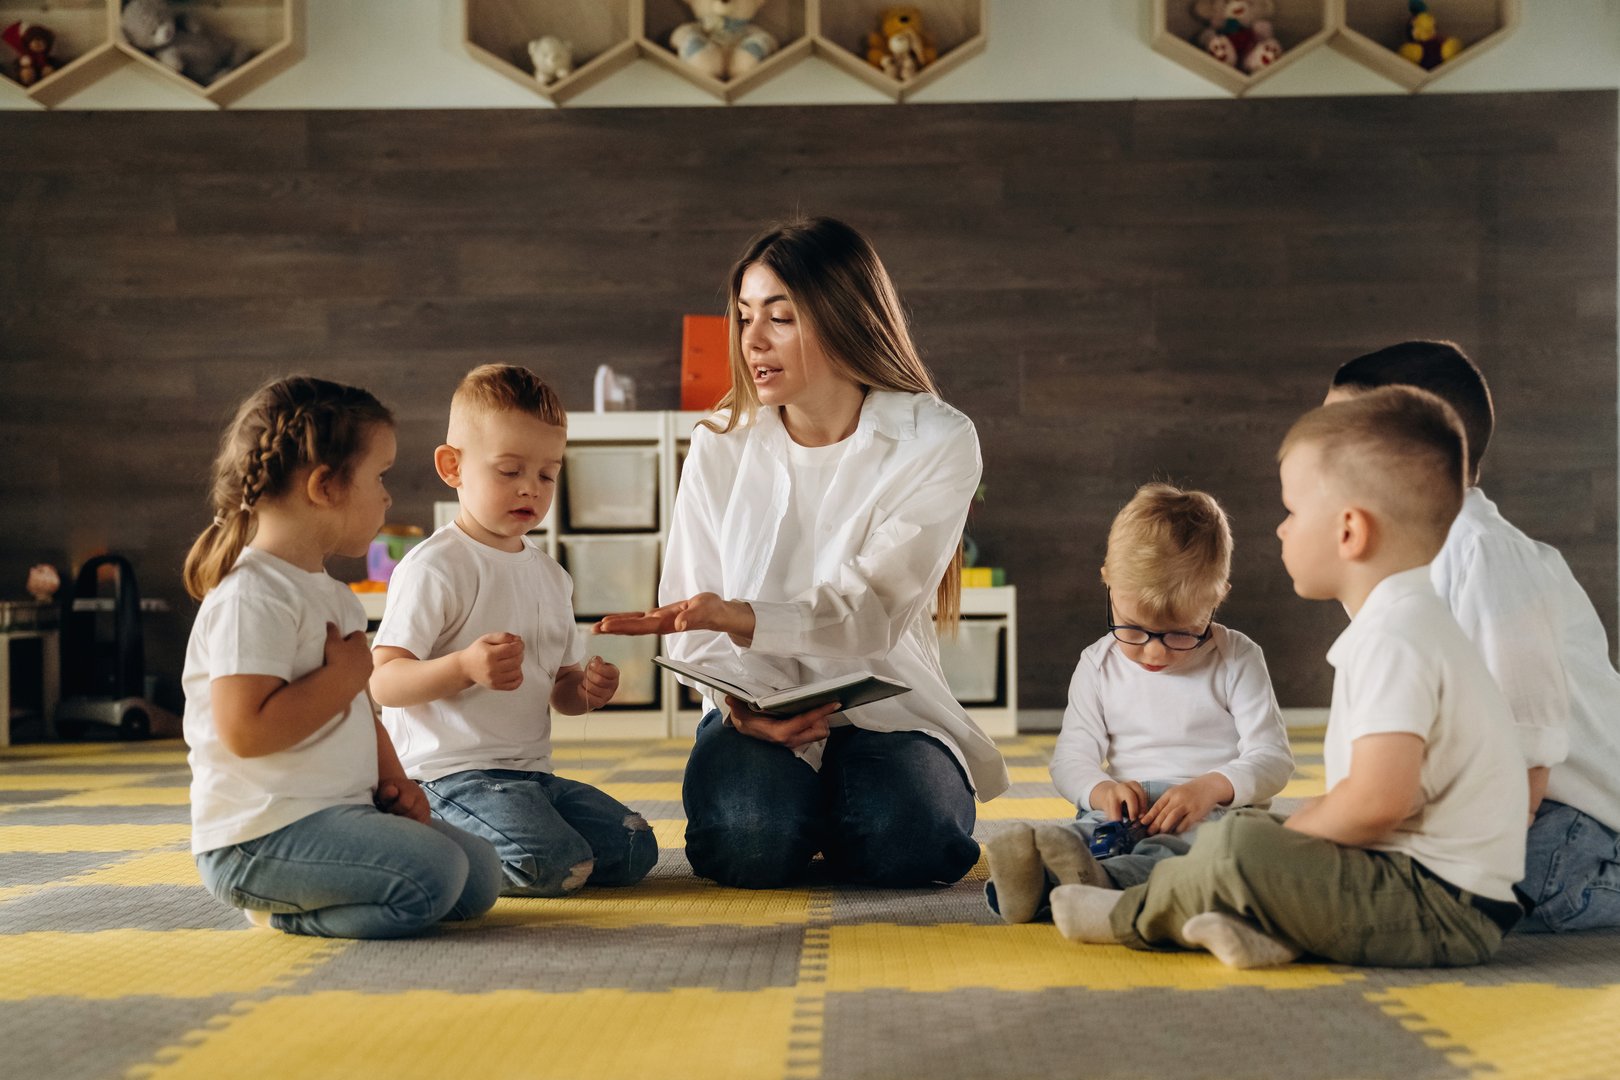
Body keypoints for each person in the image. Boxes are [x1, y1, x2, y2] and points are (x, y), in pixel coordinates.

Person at [1049, 387, 1527, 968]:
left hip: (1437, 905)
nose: (1279, 530)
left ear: (1350, 531)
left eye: (1293, 512)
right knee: (1249, 841)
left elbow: (1377, 802)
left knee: (1236, 845)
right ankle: (1254, 929)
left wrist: (1280, 834)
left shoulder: (1394, 638)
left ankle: (1126, 914)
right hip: (1425, 883)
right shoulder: (1412, 620)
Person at [596, 217, 1008, 889]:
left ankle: (840, 806)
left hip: (887, 714)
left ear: (846, 318)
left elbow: (871, 611)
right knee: (745, 847)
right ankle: (804, 811)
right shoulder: (720, 442)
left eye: (780, 318)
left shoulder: (936, 438)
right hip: (753, 714)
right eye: (743, 316)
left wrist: (739, 615)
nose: (752, 340)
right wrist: (736, 705)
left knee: (909, 844)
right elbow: (693, 617)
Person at [181, 375, 501, 938]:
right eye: (378, 477)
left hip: (338, 811)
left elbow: (358, 708)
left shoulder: (329, 592)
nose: (386, 496)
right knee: (436, 875)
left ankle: (340, 884)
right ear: (325, 486)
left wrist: (395, 780)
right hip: (261, 835)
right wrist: (347, 673)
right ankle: (284, 911)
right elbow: (245, 731)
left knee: (479, 876)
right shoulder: (251, 593)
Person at [1329, 341, 1620, 932]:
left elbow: (1525, 754)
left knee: (1405, 901)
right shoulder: (1401, 562)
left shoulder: (1484, 552)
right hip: (1484, 810)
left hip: (1567, 821)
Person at [369, 363, 657, 897]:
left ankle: (504, 837)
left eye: (547, 474)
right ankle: (418, 835)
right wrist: (462, 667)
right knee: (549, 861)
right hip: (447, 777)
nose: (531, 488)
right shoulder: (435, 566)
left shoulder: (551, 575)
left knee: (637, 847)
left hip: (531, 777)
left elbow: (562, 692)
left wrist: (588, 691)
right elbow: (384, 682)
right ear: (452, 466)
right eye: (509, 471)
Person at [985, 483, 1293, 923]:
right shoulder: (1097, 664)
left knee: (1215, 853)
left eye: (1181, 633)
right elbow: (1071, 759)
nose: (1154, 653)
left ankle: (1085, 885)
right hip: (1122, 811)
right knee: (1081, 835)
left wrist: (1211, 787)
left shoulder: (1237, 657)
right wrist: (1101, 790)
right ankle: (1035, 882)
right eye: (1132, 629)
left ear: (1216, 597)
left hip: (1213, 813)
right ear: (1108, 579)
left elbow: (1272, 758)